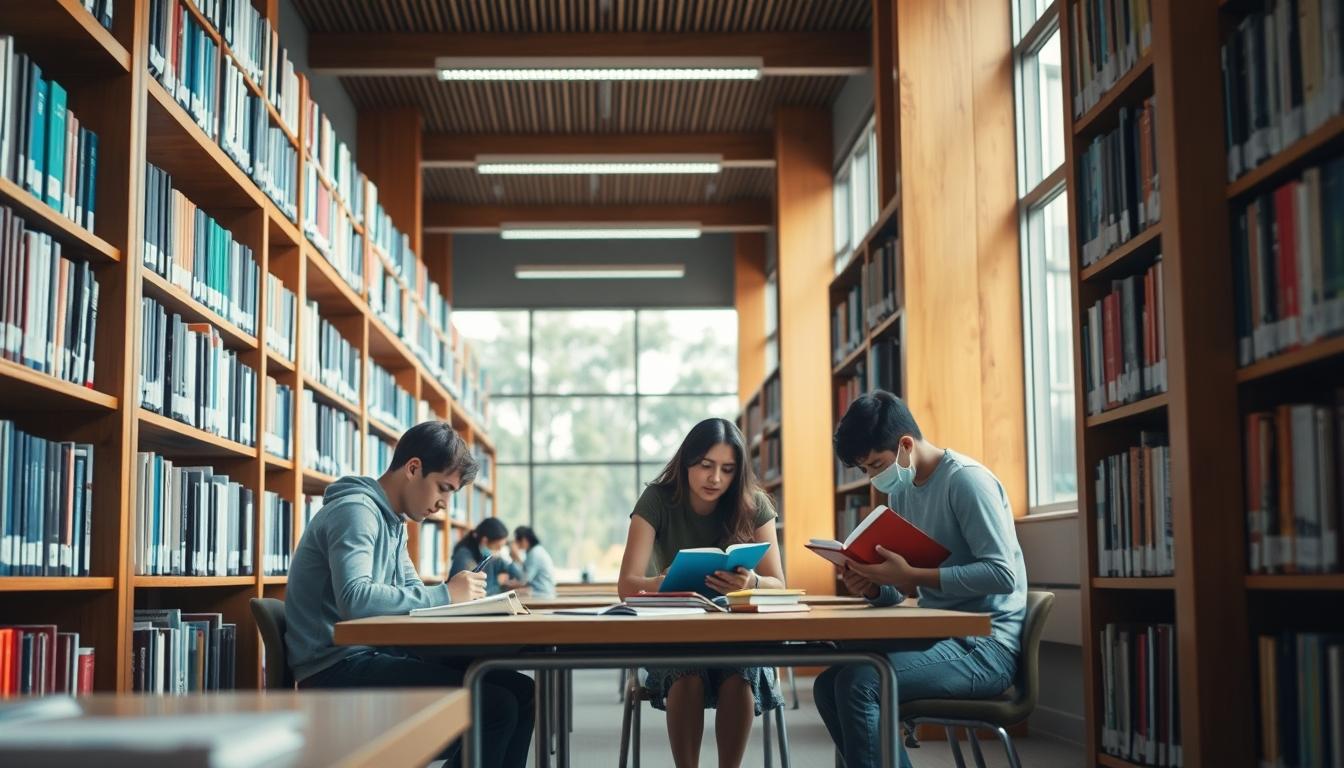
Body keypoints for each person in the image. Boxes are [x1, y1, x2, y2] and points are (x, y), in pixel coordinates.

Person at [285, 421, 534, 768]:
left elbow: (413, 593)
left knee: (522, 692)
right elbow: (355, 599)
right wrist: (448, 595)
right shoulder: (356, 512)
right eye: (443, 489)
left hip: (373, 655)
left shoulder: (394, 523)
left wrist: (464, 602)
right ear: (413, 468)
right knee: (496, 705)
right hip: (336, 670)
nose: (445, 504)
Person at [813, 391, 1027, 768]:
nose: (874, 478)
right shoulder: (904, 493)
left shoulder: (966, 482)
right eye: (865, 471)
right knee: (827, 684)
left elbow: (1002, 574)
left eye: (876, 465)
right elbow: (901, 591)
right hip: (937, 633)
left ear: (906, 445)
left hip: (984, 646)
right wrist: (874, 584)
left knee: (859, 684)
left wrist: (911, 575)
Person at [617, 417, 786, 768]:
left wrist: (752, 583)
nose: (715, 479)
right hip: (676, 631)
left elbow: (778, 586)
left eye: (727, 469)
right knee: (687, 673)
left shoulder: (753, 503)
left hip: (737, 634)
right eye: (706, 466)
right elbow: (627, 586)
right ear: (686, 462)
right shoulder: (657, 499)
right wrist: (661, 582)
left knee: (740, 673)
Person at [449, 517, 523, 596]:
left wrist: (512, 558)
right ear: (484, 541)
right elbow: (476, 594)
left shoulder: (490, 557)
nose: (500, 550)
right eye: (498, 546)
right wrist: (498, 583)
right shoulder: (464, 557)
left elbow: (520, 577)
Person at [504, 526, 556, 599]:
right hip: (541, 592)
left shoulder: (535, 553)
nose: (516, 544)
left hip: (542, 594)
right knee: (511, 594)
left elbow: (524, 581)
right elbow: (525, 573)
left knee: (509, 595)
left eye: (517, 541)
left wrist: (516, 557)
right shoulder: (535, 551)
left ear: (524, 540)